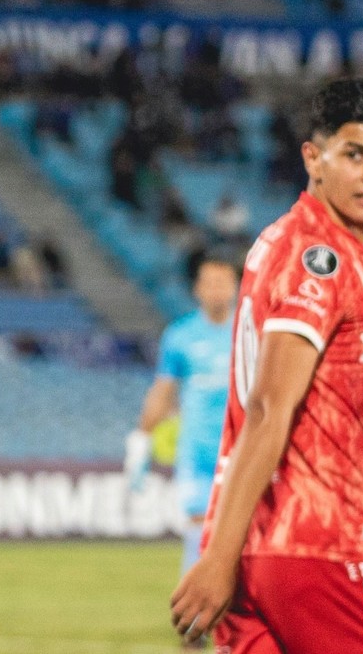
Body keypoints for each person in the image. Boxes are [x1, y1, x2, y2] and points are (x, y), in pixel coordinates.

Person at [169, 78, 363, 651]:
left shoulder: (281, 241)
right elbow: (269, 408)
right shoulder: (322, 258)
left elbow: (329, 427)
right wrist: (217, 559)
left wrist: (225, 550)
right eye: (356, 155)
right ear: (313, 158)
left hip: (262, 540)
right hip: (325, 542)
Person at [124, 251, 237, 649]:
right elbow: (163, 391)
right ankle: (195, 623)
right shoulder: (181, 336)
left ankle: (242, 617)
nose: (216, 289)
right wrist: (140, 440)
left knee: (246, 539)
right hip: (198, 454)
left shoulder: (251, 331)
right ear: (197, 289)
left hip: (243, 455)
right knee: (198, 532)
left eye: (223, 282)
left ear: (236, 286)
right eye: (209, 282)